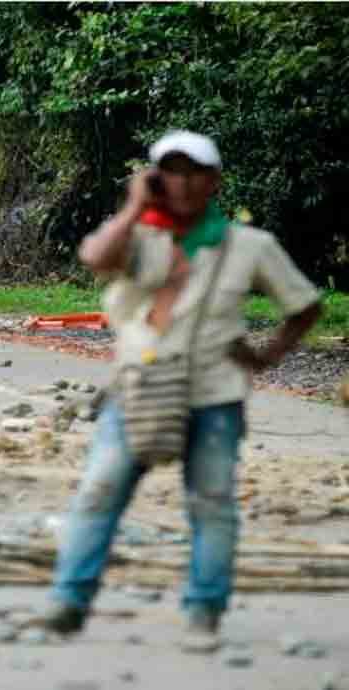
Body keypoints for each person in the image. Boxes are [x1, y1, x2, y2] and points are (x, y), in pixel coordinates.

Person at [43, 131, 323, 646]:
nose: (183, 182)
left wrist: (267, 355)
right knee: (99, 491)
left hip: (214, 393)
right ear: (155, 179)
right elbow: (95, 257)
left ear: (214, 181)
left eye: (194, 172)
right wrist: (133, 205)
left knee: (212, 502)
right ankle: (68, 601)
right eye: (170, 171)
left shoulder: (248, 245)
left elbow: (305, 305)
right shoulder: (140, 237)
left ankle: (203, 611)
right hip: (139, 386)